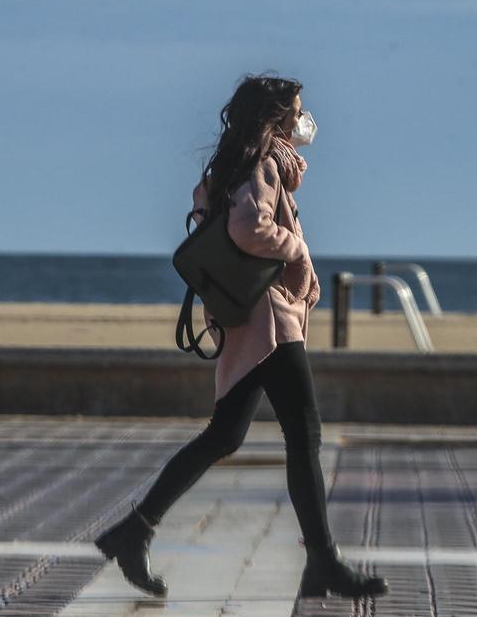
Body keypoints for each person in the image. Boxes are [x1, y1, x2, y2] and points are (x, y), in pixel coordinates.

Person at [93, 74, 389, 600]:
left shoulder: (234, 164)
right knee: (304, 436)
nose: (304, 121)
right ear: (276, 116)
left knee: (225, 435)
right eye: (297, 111)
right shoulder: (264, 162)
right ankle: (323, 563)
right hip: (269, 319)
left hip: (246, 318)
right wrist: (295, 251)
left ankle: (133, 532)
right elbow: (247, 229)